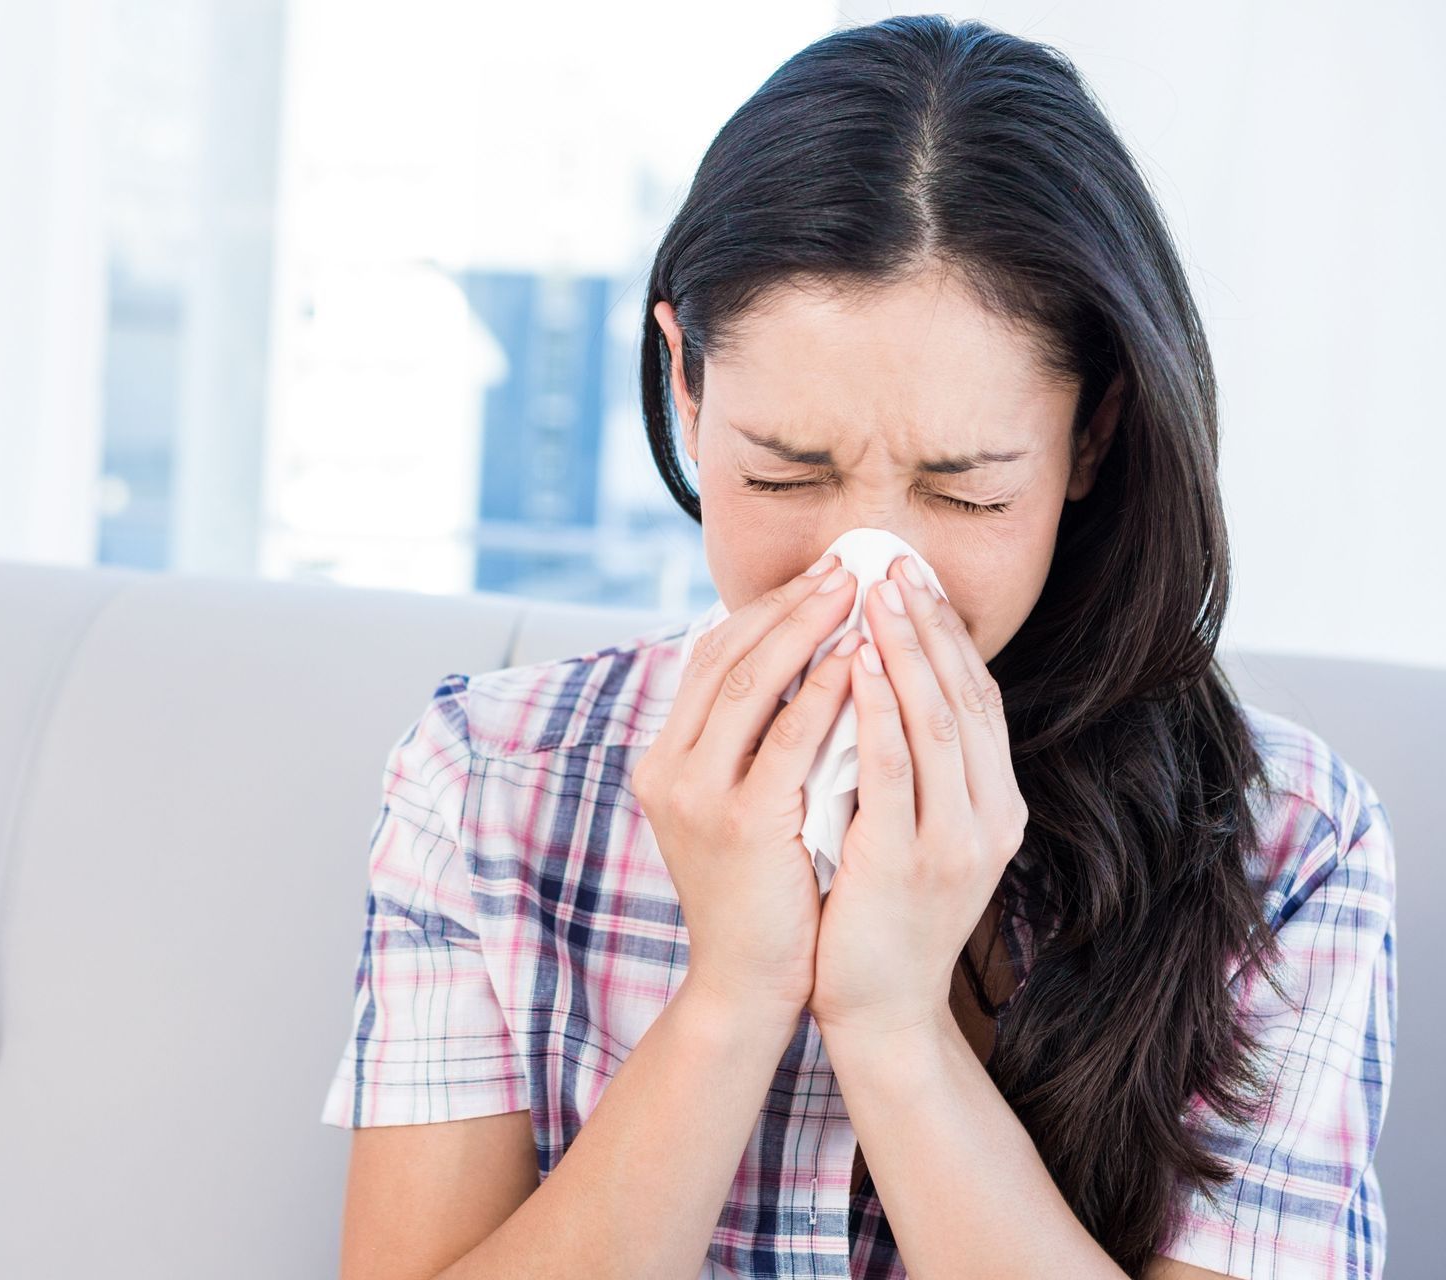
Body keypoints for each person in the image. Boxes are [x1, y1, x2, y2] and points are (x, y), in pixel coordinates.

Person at [319, 14, 1396, 1280]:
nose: (866, 571)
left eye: (967, 493)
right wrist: (729, 998)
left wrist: (892, 1028)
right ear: (688, 388)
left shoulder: (1286, 843)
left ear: (1091, 436)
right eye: (785, 473)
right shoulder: (492, 779)